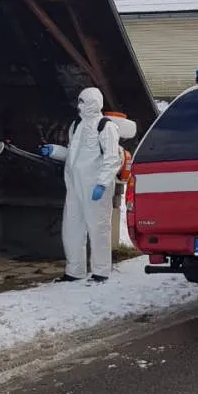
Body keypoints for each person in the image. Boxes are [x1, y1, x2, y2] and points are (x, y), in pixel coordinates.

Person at [40, 87, 121, 283]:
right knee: (71, 229)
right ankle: (74, 271)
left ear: (94, 102)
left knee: (98, 228)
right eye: (80, 101)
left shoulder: (106, 127)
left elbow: (112, 158)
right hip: (75, 187)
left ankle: (101, 271)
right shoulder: (76, 125)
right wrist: (54, 151)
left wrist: (102, 183)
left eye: (83, 101)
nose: (80, 106)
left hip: (95, 188)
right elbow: (73, 155)